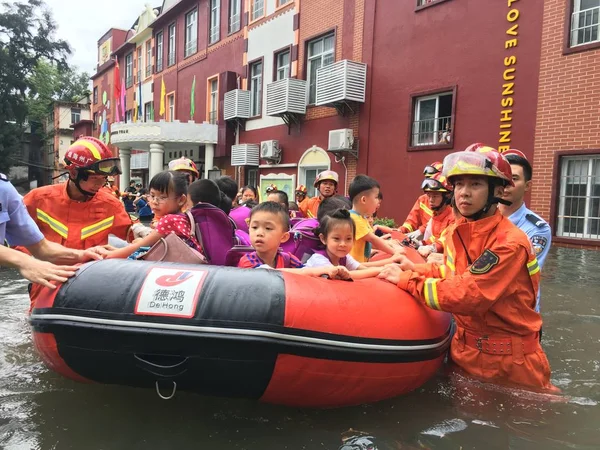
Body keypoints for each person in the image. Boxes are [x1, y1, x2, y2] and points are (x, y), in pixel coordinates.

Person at [379, 146, 555, 391]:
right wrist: (411, 270)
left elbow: (468, 294)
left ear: (496, 190)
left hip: (509, 364)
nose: (464, 193)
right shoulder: (456, 232)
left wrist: (408, 280)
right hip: (465, 351)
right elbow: (451, 274)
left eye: (475, 185)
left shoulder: (510, 242)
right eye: (459, 184)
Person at [21, 137, 132, 250]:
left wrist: (140, 231)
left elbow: (130, 231)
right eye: (94, 178)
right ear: (74, 173)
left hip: (91, 268)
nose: (100, 184)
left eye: (104, 178)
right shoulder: (38, 199)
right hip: (47, 267)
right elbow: (16, 233)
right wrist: (30, 262)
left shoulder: (111, 205)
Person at [0, 175, 102, 288]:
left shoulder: (5, 189)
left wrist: (80, 255)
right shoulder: (39, 197)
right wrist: (24, 261)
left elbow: (41, 247)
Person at [499, 148, 551, 313]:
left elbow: (513, 273)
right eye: (502, 178)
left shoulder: (537, 229)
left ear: (528, 185)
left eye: (514, 178)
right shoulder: (481, 218)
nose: (507, 185)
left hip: (520, 316)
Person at [238, 201, 350, 279]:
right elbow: (270, 274)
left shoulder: (288, 259)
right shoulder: (247, 261)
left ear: (284, 237)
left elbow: (307, 273)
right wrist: (321, 269)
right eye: (254, 227)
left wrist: (331, 273)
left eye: (268, 228)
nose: (259, 233)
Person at [106, 171, 203, 259]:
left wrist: (108, 255)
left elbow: (137, 247)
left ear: (181, 200)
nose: (155, 201)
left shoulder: (169, 220)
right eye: (152, 196)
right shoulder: (184, 217)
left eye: (162, 197)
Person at [304, 208, 402, 279]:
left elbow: (361, 268)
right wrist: (379, 270)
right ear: (323, 239)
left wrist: (389, 267)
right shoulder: (319, 259)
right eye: (336, 238)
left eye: (348, 239)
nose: (343, 244)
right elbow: (345, 275)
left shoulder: (345, 258)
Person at [348, 175, 400, 263]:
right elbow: (373, 240)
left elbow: (370, 242)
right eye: (376, 197)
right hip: (356, 267)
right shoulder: (354, 219)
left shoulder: (361, 218)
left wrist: (390, 245)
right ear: (363, 200)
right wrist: (395, 253)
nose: (378, 202)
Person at [398, 162, 443, 239]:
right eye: (428, 179)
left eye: (433, 179)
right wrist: (401, 230)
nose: (430, 184)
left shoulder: (448, 203)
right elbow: (411, 221)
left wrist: (421, 231)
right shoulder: (422, 199)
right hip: (424, 240)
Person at [416, 173, 455, 258]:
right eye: (429, 196)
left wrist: (432, 248)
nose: (430, 200)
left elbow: (447, 237)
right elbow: (435, 237)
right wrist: (421, 243)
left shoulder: (453, 217)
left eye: (435, 196)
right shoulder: (436, 215)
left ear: (446, 196)